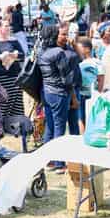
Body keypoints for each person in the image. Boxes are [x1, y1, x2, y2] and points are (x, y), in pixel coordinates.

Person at [38, 25, 79, 173]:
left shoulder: (41, 52)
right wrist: (74, 97)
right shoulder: (58, 52)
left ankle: (47, 161)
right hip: (59, 94)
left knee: (50, 126)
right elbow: (67, 80)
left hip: (46, 93)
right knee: (59, 128)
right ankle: (59, 163)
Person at [0, 19, 25, 117]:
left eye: (9, 26)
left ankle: (17, 124)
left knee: (17, 102)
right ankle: (3, 124)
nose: (8, 28)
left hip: (15, 75)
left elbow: (23, 56)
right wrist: (0, 57)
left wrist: (15, 55)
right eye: (6, 26)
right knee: (3, 101)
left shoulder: (14, 41)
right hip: (2, 77)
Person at [75, 37, 105, 131]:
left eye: (79, 48)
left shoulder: (96, 62)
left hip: (93, 94)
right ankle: (82, 137)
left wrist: (99, 92)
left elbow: (101, 78)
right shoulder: (78, 62)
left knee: (92, 116)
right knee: (80, 117)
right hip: (81, 94)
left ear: (87, 49)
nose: (77, 50)